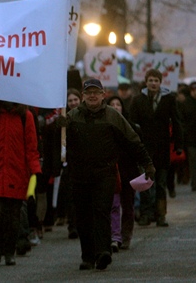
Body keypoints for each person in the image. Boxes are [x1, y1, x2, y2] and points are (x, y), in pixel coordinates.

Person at [65, 78, 155, 271]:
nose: (92, 96)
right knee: (83, 216)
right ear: (83, 96)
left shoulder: (113, 116)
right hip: (80, 175)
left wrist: (147, 163)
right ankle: (87, 256)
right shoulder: (72, 117)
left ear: (103, 94)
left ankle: (103, 252)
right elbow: (65, 145)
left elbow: (133, 140)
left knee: (101, 210)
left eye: (96, 92)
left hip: (105, 173)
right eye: (88, 92)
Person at [0, 100, 41, 266]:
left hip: (18, 173)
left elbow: (31, 146)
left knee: (14, 217)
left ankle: (9, 251)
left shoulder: (25, 116)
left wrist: (35, 170)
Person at [130, 69, 183, 227]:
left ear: (161, 83)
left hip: (162, 147)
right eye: (151, 80)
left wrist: (179, 145)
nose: (153, 83)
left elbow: (177, 121)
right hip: (144, 148)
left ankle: (161, 215)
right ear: (146, 82)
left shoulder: (168, 99)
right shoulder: (138, 100)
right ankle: (146, 214)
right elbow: (132, 124)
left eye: (156, 81)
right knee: (146, 183)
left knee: (160, 183)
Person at [107, 95, 143, 251]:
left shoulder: (132, 127)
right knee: (112, 205)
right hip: (111, 171)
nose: (115, 107)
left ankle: (126, 235)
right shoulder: (103, 126)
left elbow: (138, 149)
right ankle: (114, 236)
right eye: (112, 104)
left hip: (128, 171)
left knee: (127, 205)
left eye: (118, 104)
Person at [56, 88, 81, 239]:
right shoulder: (64, 118)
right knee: (71, 196)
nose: (73, 103)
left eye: (75, 100)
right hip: (70, 163)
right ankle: (72, 225)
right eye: (70, 101)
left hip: (85, 160)